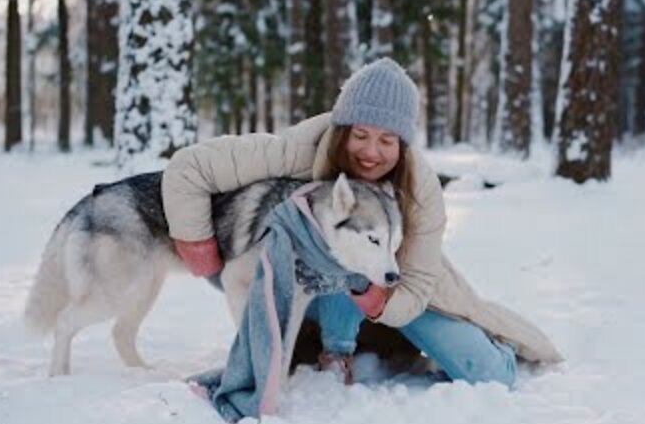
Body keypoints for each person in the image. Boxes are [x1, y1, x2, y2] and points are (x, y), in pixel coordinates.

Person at [162, 58, 562, 387]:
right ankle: (330, 350)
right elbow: (188, 167)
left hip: (401, 291)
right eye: (361, 135)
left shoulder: (420, 190)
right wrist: (196, 244)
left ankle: (489, 343)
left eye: (387, 141)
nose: (371, 152)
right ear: (342, 131)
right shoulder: (301, 148)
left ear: (403, 145)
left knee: (489, 376)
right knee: (332, 252)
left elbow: (420, 283)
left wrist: (379, 301)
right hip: (320, 293)